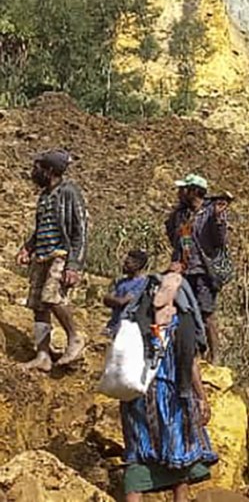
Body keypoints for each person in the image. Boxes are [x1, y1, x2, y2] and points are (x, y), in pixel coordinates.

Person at [119, 272, 217, 501]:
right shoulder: (181, 323)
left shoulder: (136, 318)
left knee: (138, 454)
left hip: (137, 397)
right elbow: (190, 363)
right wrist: (201, 397)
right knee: (179, 460)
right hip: (171, 399)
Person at [16, 149, 88, 372]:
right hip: (42, 255)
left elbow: (81, 230)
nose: (33, 172)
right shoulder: (45, 195)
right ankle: (43, 355)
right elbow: (41, 228)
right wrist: (27, 248)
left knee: (51, 296)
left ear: (49, 170)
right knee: (38, 305)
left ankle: (75, 337)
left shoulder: (69, 192)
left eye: (37, 168)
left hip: (61, 254)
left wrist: (74, 265)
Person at [165, 174, 229, 364]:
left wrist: (217, 220)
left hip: (203, 271)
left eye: (183, 189)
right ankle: (192, 353)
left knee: (206, 313)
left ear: (193, 191)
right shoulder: (180, 214)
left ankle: (215, 357)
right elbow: (172, 236)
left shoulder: (211, 213)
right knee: (184, 312)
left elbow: (220, 241)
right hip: (183, 271)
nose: (179, 192)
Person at [104, 250, 150, 337]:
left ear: (137, 265)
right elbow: (106, 299)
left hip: (128, 326)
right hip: (114, 324)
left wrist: (113, 300)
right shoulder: (120, 282)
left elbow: (122, 301)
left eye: (127, 263)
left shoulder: (142, 283)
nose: (123, 266)